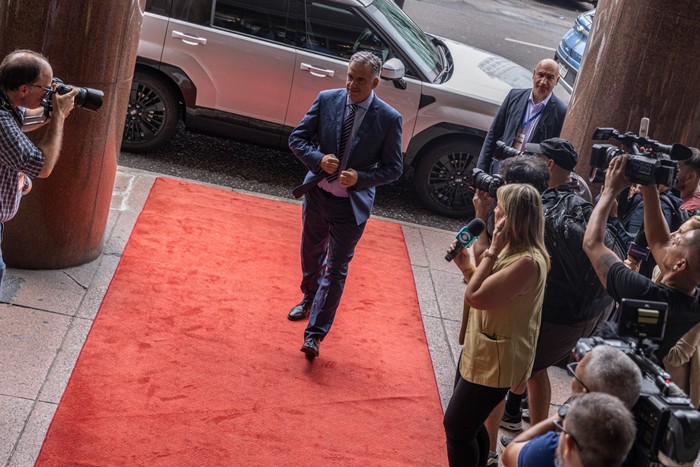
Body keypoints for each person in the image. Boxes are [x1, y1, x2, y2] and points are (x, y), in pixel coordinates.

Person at [287, 51, 403, 360]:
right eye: (350, 76)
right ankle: (308, 297)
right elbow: (297, 139)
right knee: (311, 253)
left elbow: (394, 169)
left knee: (336, 268)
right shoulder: (327, 99)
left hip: (350, 208)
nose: (352, 84)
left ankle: (315, 334)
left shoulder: (389, 119)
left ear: (376, 82)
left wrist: (361, 178)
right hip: (318, 195)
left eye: (361, 80)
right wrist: (318, 159)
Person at [444, 183, 550, 466]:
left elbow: (476, 296)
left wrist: (490, 250)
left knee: (456, 428)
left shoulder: (527, 261)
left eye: (500, 207)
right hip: (482, 348)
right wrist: (467, 265)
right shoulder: (513, 247)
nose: (496, 210)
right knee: (471, 425)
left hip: (497, 359)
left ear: (512, 216)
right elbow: (486, 284)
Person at [583, 155, 700, 363]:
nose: (672, 237)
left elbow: (592, 243)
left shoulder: (642, 292)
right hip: (638, 376)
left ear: (680, 265)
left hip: (604, 374)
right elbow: (659, 241)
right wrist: (649, 183)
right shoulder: (693, 300)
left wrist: (610, 191)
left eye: (677, 241)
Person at [0, 49, 77, 289]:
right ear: (23, 89)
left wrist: (54, 108)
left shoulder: (7, 106)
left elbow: (25, 118)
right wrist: (59, 118)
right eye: (46, 89)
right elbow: (41, 165)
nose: (49, 93)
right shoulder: (2, 120)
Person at [503, 345, 642, 467]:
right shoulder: (632, 449)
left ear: (584, 392)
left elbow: (509, 454)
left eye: (576, 373)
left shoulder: (554, 450)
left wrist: (566, 413)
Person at [476, 58, 567, 176]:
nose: (543, 82)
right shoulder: (513, 96)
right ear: (534, 74)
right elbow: (493, 134)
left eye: (550, 77)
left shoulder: (560, 112)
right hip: (501, 169)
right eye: (540, 75)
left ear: (557, 80)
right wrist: (480, 171)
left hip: (529, 178)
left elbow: (553, 154)